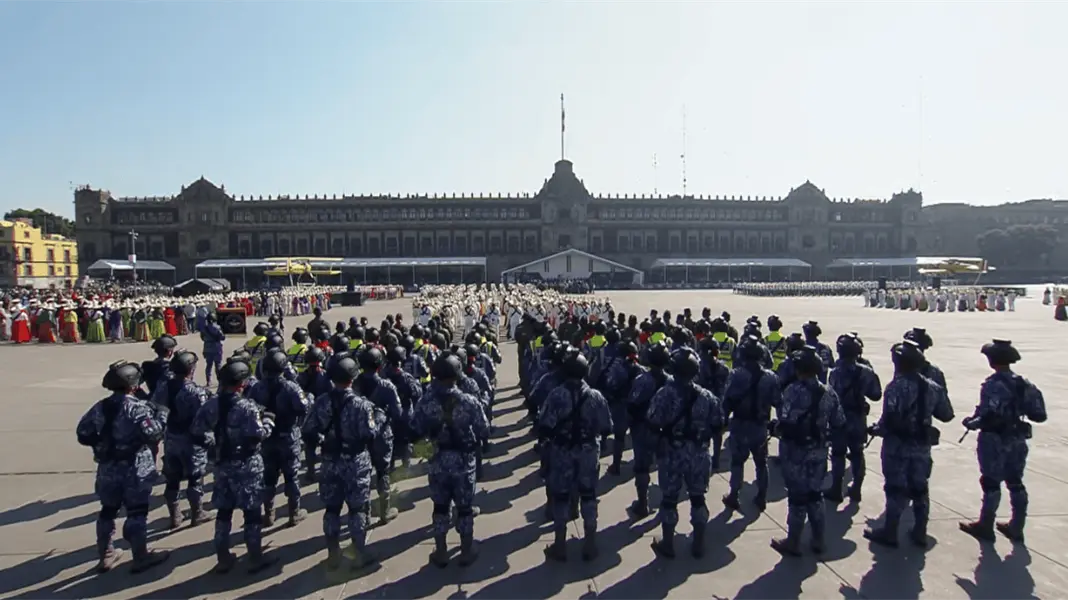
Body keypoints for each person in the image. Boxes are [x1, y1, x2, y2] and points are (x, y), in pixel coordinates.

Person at [76, 361, 169, 573]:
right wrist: (162, 416)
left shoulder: (100, 406)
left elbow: (83, 433)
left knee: (107, 511)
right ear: (134, 385)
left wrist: (102, 445)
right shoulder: (137, 408)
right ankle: (140, 555)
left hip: (108, 468)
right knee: (137, 512)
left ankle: (106, 554)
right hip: (135, 467)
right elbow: (153, 434)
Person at [864, 341, 953, 548]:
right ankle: (920, 532)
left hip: (897, 448)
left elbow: (888, 422)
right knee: (920, 490)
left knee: (895, 489)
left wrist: (875, 429)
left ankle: (890, 531)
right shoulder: (933, 387)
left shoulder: (895, 388)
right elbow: (946, 415)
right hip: (922, 447)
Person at [191, 359, 277, 574]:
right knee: (251, 513)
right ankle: (255, 556)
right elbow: (259, 434)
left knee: (224, 512)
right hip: (247, 464)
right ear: (242, 384)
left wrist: (213, 445)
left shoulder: (211, 404)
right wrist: (268, 421)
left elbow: (197, 430)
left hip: (222, 465)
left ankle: (222, 556)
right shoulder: (247, 407)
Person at [959, 340, 1047, 543]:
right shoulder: (1024, 384)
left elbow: (988, 415)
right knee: (1015, 482)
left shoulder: (992, 385)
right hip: (1017, 439)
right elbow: (1039, 415)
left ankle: (985, 525)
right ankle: (1017, 526)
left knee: (991, 482)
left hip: (994, 440)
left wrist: (971, 423)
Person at [302, 355, 381, 570]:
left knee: (332, 509)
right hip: (355, 462)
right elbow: (369, 434)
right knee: (357, 509)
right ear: (353, 378)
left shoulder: (321, 402)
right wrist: (379, 420)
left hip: (329, 461)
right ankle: (358, 552)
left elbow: (308, 430)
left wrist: (324, 440)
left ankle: (333, 553)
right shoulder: (362, 405)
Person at [412, 354, 489, 567]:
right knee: (464, 507)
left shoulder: (426, 401)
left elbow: (414, 428)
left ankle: (441, 551)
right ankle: (466, 550)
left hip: (437, 460)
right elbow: (484, 429)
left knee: (440, 507)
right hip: (464, 461)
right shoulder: (469, 401)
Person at [648, 348, 722, 559]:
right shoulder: (707, 396)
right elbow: (719, 424)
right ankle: (698, 543)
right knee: (698, 498)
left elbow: (653, 421)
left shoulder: (665, 394)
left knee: (670, 499)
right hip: (699, 453)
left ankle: (668, 544)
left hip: (673, 452)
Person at [772, 346, 844, 557]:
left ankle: (793, 541)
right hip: (819, 451)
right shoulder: (829, 392)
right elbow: (839, 422)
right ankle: (818, 539)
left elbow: (785, 420)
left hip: (795, 451)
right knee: (815, 495)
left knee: (796, 497)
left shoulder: (792, 391)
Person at [153, 351, 215, 529]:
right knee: (195, 478)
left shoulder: (164, 387)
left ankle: (175, 516)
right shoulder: (195, 391)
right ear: (191, 369)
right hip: (192, 440)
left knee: (172, 478)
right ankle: (197, 513)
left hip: (171, 439)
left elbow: (156, 407)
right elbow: (206, 414)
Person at [721, 337, 781, 513]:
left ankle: (734, 495)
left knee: (737, 462)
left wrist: (723, 419)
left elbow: (727, 400)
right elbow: (779, 402)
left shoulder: (736, 374)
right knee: (761, 463)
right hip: (760, 426)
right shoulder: (771, 377)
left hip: (740, 424)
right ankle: (761, 497)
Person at [825, 334, 882, 504]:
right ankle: (856, 488)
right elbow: (876, 395)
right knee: (857, 454)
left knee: (838, 454)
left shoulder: (835, 372)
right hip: (858, 419)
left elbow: (831, 396)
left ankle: (836, 488)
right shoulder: (866, 372)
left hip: (840, 419)